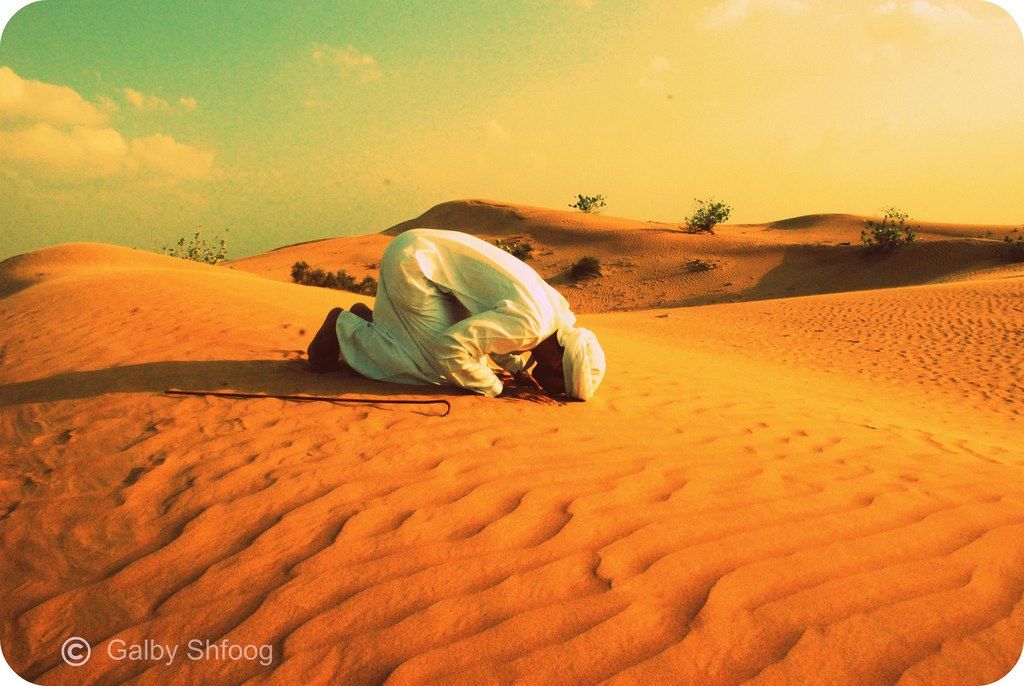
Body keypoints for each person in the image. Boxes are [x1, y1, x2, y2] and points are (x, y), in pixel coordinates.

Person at [306, 228, 606, 402]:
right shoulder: (533, 326)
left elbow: (493, 332)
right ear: (557, 364)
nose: (552, 392)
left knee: (462, 360)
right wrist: (496, 389)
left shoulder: (555, 313)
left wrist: (516, 369)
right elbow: (449, 348)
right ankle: (343, 328)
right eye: (560, 389)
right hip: (416, 264)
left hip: (422, 253)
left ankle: (371, 321)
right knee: (433, 371)